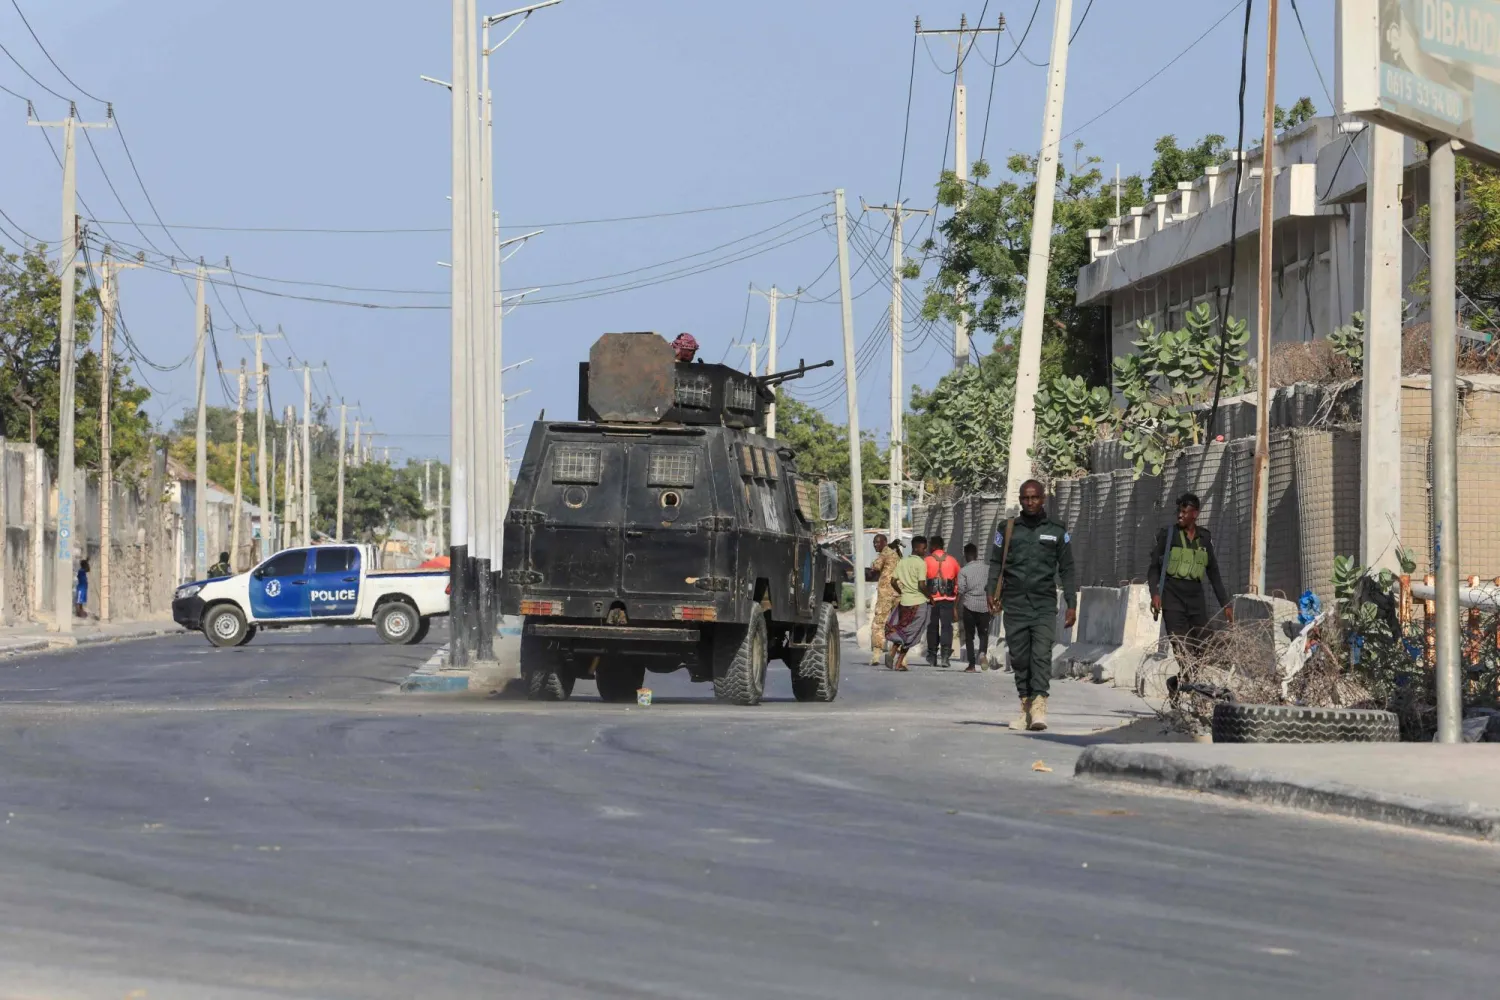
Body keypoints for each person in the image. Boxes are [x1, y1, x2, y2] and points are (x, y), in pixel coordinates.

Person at [987, 480, 1077, 732]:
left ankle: (1039, 705)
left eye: (1034, 497)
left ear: (1043, 498)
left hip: (1044, 604)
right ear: (1020, 499)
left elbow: (1067, 568)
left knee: (1041, 654)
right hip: (1014, 603)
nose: (1029, 502)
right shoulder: (1006, 529)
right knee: (1019, 658)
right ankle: (1025, 705)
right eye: (1025, 498)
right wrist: (990, 591)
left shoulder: (1057, 530)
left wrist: (1071, 603)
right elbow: (995, 563)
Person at [1147, 492, 1232, 666]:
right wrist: (1155, 593)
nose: (1180, 515)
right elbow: (1154, 568)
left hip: (1195, 600)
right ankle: (1186, 684)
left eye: (1184, 512)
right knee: (1182, 648)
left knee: (1203, 648)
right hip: (1172, 598)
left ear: (1195, 514)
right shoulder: (1168, 535)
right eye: (1179, 511)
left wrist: (1226, 604)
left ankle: (1178, 685)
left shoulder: (1204, 539)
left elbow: (1214, 574)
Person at [886, 536, 930, 671]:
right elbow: (922, 585)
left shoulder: (903, 562)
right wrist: (930, 597)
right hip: (919, 602)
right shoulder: (921, 563)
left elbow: (893, 581)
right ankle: (897, 659)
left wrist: (901, 592)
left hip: (904, 602)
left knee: (903, 628)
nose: (925, 550)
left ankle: (895, 654)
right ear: (917, 548)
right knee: (913, 632)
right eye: (924, 548)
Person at [923, 534, 960, 667]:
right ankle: (945, 656)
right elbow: (958, 581)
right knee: (946, 627)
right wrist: (954, 594)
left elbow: (921, 581)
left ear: (933, 546)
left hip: (932, 599)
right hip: (948, 599)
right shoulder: (952, 560)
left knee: (932, 627)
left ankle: (932, 656)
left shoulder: (926, 561)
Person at [955, 543, 992, 672]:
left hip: (969, 606)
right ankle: (982, 653)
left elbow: (960, 590)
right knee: (983, 634)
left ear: (965, 556)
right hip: (985, 606)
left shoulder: (963, 571)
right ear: (976, 555)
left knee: (969, 636)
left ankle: (971, 665)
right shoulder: (987, 568)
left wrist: (955, 607)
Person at [867, 534, 902, 665]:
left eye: (878, 542)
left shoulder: (884, 553)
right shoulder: (896, 554)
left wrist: (873, 565)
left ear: (885, 542)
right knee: (898, 624)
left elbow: (875, 566)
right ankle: (901, 658)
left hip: (886, 594)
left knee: (879, 623)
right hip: (899, 593)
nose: (875, 545)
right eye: (874, 542)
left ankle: (876, 654)